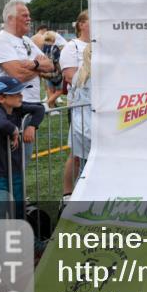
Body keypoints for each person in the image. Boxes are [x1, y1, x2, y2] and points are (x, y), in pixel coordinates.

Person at [0, 0, 55, 170]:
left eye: (29, 16)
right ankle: (9, 196)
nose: (29, 19)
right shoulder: (0, 40)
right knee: (7, 164)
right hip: (7, 110)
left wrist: (33, 65)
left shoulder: (26, 40)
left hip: (28, 107)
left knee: (22, 162)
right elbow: (17, 75)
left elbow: (51, 65)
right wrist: (38, 66)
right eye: (25, 15)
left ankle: (19, 196)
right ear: (11, 18)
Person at [0, 77, 45, 218]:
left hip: (15, 170)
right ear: (1, 98)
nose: (21, 96)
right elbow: (1, 122)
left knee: (19, 208)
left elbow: (39, 109)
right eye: (16, 94)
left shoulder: (18, 108)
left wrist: (32, 126)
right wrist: (14, 130)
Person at [59, 11, 89, 199]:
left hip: (100, 107)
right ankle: (68, 193)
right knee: (77, 153)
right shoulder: (72, 47)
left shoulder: (102, 44)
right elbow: (70, 77)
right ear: (81, 24)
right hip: (81, 107)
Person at [40, 31, 65, 110]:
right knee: (59, 90)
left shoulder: (42, 47)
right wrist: (61, 71)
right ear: (53, 39)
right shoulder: (55, 48)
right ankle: (47, 104)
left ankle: (52, 108)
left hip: (45, 72)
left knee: (50, 90)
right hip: (55, 72)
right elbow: (57, 61)